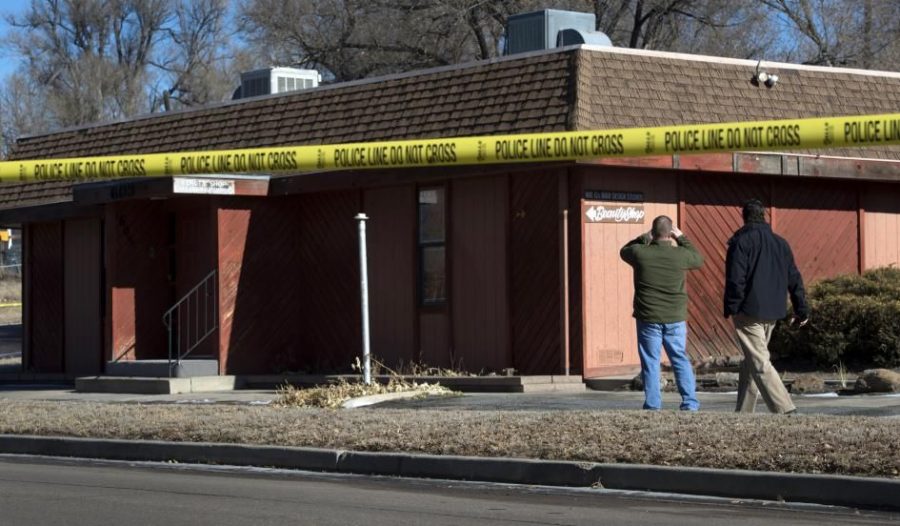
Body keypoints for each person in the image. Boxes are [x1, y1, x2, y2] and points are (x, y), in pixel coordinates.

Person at [724, 199, 809, 414]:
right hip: (774, 310)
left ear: (744, 216)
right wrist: (801, 309)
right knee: (752, 361)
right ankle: (743, 412)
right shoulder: (781, 243)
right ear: (764, 216)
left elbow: (736, 279)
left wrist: (733, 305)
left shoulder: (741, 242)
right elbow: (794, 278)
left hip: (748, 310)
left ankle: (785, 408)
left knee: (759, 361)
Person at [620, 215, 704, 411]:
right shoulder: (681, 254)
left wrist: (644, 238)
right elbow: (699, 259)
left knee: (650, 361)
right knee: (679, 359)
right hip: (675, 317)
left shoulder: (640, 253)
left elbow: (624, 250)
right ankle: (690, 403)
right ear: (671, 233)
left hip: (648, 317)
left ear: (653, 232)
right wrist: (682, 238)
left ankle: (653, 404)